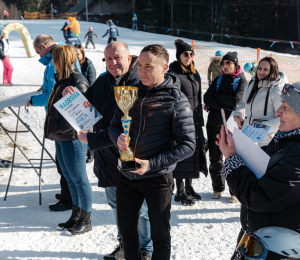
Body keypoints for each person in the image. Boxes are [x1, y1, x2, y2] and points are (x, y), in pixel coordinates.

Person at [63, 41, 153, 260]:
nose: (113, 63)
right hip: (106, 158)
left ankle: (145, 248)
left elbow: (130, 127)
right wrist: (74, 96)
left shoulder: (139, 82)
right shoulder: (104, 80)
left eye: (117, 58)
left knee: (139, 210)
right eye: (109, 59)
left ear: (129, 58)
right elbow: (88, 105)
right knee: (116, 205)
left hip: (130, 156)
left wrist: (92, 140)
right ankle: (124, 245)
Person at [109, 44, 196, 260]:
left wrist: (152, 164)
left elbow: (188, 145)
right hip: (127, 175)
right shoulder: (130, 92)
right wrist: (117, 137)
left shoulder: (177, 100)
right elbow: (113, 125)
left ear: (164, 67)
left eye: (148, 66)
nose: (142, 71)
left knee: (160, 236)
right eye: (140, 66)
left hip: (157, 178)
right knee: (127, 232)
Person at [217, 81, 300, 260]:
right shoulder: (284, 139)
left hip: (279, 249)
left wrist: (232, 160)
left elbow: (260, 196)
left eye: (286, 107)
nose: (278, 112)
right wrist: (237, 151)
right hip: (259, 239)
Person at [27, 34, 81, 212]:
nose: (38, 56)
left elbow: (53, 94)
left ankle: (68, 199)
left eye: (37, 52)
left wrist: (33, 100)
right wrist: (41, 89)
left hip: (62, 120)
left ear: (43, 46)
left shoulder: (53, 63)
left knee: (66, 163)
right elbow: (51, 87)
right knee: (63, 161)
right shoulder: (63, 56)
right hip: (64, 118)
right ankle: (67, 194)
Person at [46, 45, 92, 236]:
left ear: (61, 60)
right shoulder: (61, 80)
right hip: (61, 136)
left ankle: (86, 220)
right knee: (69, 177)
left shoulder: (76, 81)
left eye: (54, 59)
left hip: (73, 138)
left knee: (79, 179)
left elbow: (85, 115)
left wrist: (58, 128)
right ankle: (76, 214)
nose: (52, 63)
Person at [168, 39, 207, 206]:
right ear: (179, 56)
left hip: (196, 121)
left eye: (191, 54)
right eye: (185, 54)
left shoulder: (194, 73)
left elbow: (198, 97)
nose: (189, 56)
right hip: (181, 120)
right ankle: (180, 191)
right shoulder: (173, 74)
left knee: (193, 153)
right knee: (182, 154)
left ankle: (189, 187)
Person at [204, 51, 247, 202]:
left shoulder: (242, 81)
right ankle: (217, 187)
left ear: (235, 65)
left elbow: (236, 101)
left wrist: (218, 99)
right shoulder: (218, 79)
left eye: (228, 63)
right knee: (215, 158)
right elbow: (207, 97)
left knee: (233, 157)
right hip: (214, 123)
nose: (225, 65)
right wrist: (221, 103)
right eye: (223, 63)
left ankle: (234, 190)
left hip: (231, 126)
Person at [233, 57, 288, 147]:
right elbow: (243, 103)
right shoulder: (251, 83)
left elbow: (282, 119)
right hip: (247, 137)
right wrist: (237, 115)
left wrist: (261, 126)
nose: (261, 71)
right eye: (259, 68)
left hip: (266, 142)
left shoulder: (276, 89)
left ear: (272, 71)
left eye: (266, 69)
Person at [74, 44, 96, 164]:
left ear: (82, 54)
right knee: (80, 129)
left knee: (89, 128)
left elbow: (92, 83)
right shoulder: (73, 66)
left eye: (78, 54)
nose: (76, 56)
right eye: (74, 54)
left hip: (87, 100)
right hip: (77, 101)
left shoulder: (89, 66)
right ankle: (83, 152)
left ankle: (91, 153)